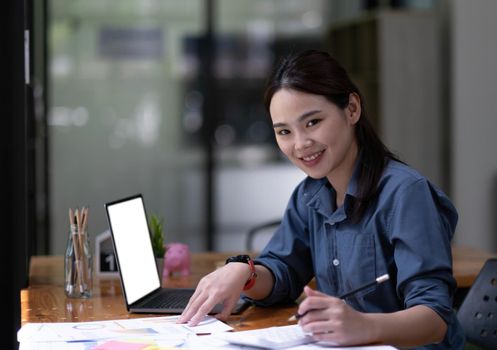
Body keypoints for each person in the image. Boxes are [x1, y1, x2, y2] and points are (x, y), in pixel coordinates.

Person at [178, 50, 464, 349]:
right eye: (285, 131)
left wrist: (361, 325)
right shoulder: (309, 194)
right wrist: (245, 272)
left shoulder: (405, 193)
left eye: (313, 122)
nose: (300, 144)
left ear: (352, 109)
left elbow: (434, 320)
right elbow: (283, 272)